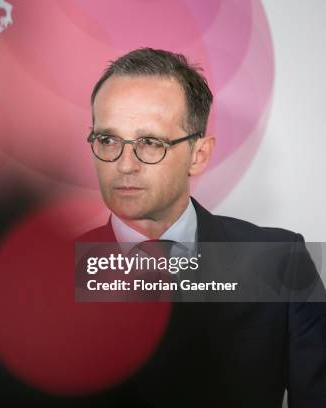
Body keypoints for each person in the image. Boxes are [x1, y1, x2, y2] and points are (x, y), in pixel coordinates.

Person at [78, 48, 326, 407]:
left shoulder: (279, 261)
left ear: (199, 155)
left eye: (150, 143)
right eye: (108, 140)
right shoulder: (44, 275)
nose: (124, 165)